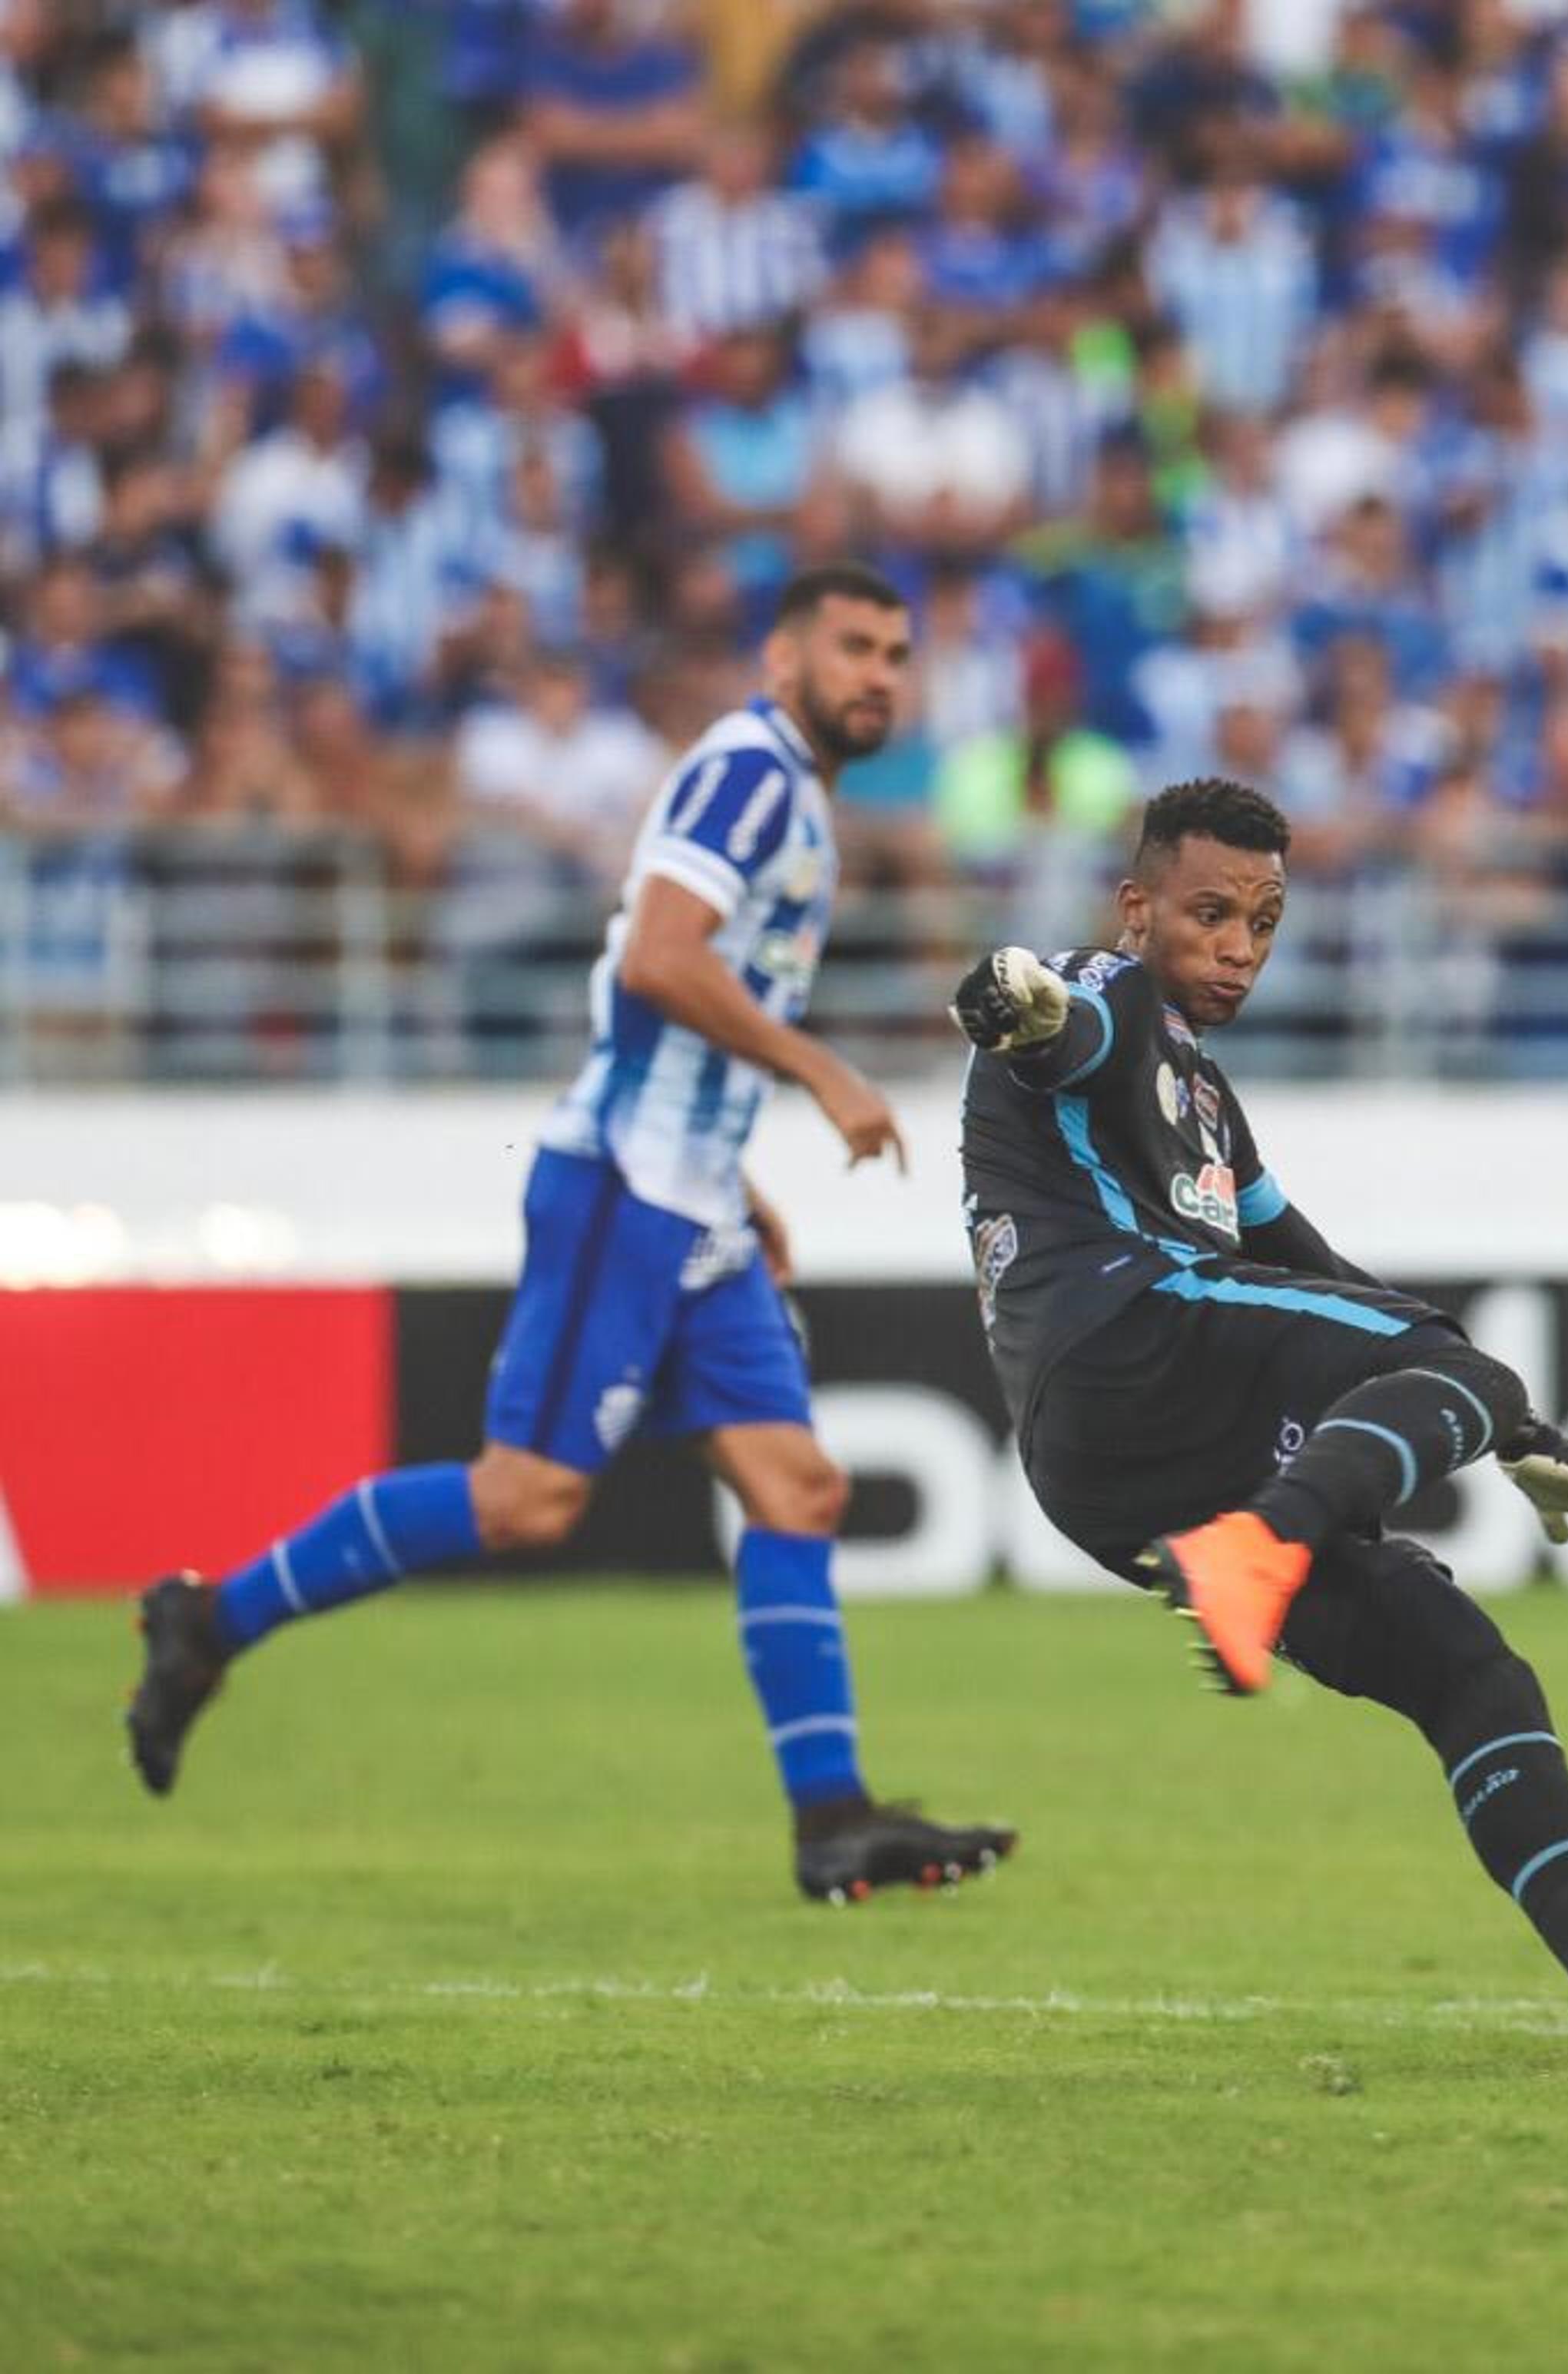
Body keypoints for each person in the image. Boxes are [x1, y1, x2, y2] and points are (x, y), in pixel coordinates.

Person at [124, 565, 1018, 1902]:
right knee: (526, 1499)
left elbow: (662, 993)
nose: (879, 673)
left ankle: (830, 1816)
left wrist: (736, 1166)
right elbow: (661, 954)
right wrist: (818, 1072)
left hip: (693, 1189)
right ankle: (210, 1620)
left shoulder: (800, 798)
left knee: (798, 1489)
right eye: (852, 648)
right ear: (783, 659)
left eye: (897, 652)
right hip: (623, 1185)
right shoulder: (752, 773)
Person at [950, 778, 1568, 2067]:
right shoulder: (1114, 998)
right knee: (1456, 1361)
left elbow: (1316, 1268)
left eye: (1265, 920)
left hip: (1106, 1474)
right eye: (1208, 915)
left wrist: (1523, 1445)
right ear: (1137, 910)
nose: (1239, 946)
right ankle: (1262, 1547)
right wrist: (1010, 997)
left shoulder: (1204, 1093)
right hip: (1130, 1338)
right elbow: (1050, 1024)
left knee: (1463, 1664)